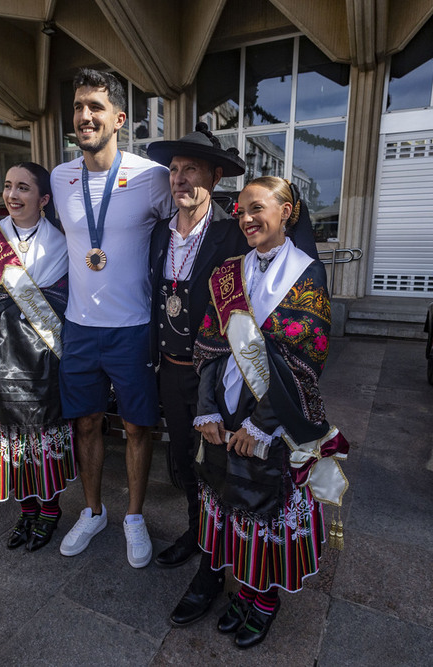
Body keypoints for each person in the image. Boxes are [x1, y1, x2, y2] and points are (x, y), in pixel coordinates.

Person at [188, 176, 348, 648]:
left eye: (257, 208)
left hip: (273, 419)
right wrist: (206, 410)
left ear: (286, 212)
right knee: (232, 501)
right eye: (240, 210)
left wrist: (262, 424)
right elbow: (207, 347)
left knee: (264, 506)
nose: (247, 218)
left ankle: (264, 599)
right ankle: (243, 590)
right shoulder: (227, 273)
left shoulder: (308, 273)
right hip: (225, 412)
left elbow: (305, 362)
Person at [50, 68, 172, 568]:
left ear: (119, 118)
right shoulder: (60, 178)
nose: (85, 116)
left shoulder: (150, 177)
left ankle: (135, 517)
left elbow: (183, 229)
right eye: (79, 107)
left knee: (140, 427)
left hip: (133, 327)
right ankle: (94, 510)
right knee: (85, 424)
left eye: (96, 107)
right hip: (79, 328)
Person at [144, 125, 250, 620]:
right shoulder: (157, 234)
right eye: (174, 171)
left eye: (191, 170)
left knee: (215, 471)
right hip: (169, 370)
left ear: (215, 175)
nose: (180, 180)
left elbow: (239, 322)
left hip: (214, 376)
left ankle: (212, 570)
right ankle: (196, 533)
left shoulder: (232, 237)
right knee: (184, 463)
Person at [0, 162, 76, 552]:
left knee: (41, 435)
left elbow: (64, 305)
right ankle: (27, 510)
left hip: (43, 358)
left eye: (23, 188)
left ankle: (50, 510)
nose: (12, 195)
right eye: (8, 186)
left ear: (43, 199)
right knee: (10, 440)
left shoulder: (63, 244)